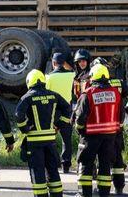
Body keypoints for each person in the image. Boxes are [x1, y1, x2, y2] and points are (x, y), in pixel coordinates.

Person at [16, 69, 71, 197]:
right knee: (53, 171)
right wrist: (59, 125)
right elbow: (67, 108)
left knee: (38, 172)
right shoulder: (53, 95)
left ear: (29, 82)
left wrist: (25, 129)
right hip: (50, 141)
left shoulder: (27, 97)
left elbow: (19, 116)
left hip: (34, 142)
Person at [74, 64, 123, 197]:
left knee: (86, 165)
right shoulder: (116, 93)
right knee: (105, 167)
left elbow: (80, 118)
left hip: (90, 137)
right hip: (110, 137)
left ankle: (85, 194)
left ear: (93, 77)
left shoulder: (88, 94)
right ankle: (104, 194)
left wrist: (80, 131)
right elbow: (121, 116)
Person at [45, 52, 76, 173]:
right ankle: (66, 165)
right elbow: (75, 71)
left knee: (49, 138)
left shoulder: (48, 77)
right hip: (67, 111)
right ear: (64, 63)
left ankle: (53, 162)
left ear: (53, 63)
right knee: (66, 139)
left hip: (52, 111)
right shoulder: (71, 75)